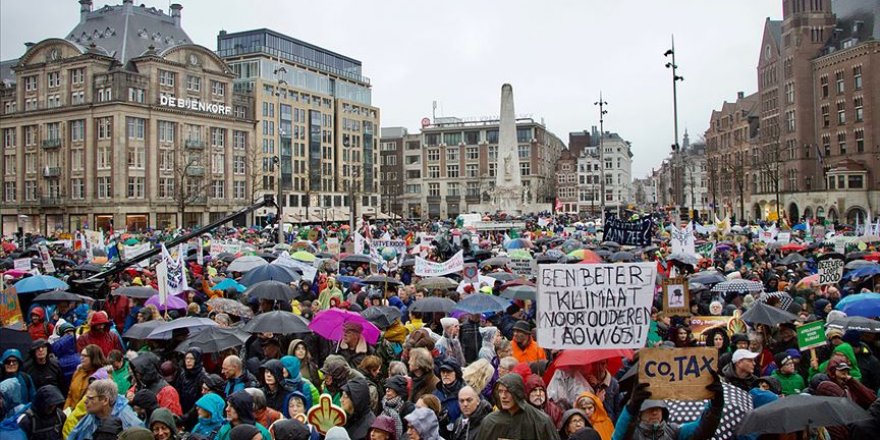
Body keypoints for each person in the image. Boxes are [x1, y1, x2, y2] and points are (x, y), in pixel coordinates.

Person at [611, 374, 723, 440]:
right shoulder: (633, 434)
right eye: (649, 409)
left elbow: (703, 429)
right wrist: (632, 408)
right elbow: (619, 437)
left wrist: (716, 405)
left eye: (657, 409)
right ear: (640, 413)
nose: (654, 413)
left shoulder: (673, 431)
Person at [475, 374, 560, 440]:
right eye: (500, 391)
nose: (503, 396)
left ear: (517, 393)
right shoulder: (490, 422)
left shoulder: (541, 421)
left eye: (508, 391)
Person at [66, 379, 143, 440]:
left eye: (91, 398)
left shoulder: (128, 421)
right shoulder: (92, 414)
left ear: (105, 400)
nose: (85, 401)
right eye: (87, 397)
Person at [64, 344, 104, 410]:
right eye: (81, 355)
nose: (81, 358)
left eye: (85, 356)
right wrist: (65, 411)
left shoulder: (100, 376)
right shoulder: (78, 372)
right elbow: (70, 395)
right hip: (71, 413)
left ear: (93, 358)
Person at [434, 357, 465, 435]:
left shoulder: (466, 393)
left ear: (456, 373)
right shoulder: (435, 394)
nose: (445, 374)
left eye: (449, 371)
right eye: (443, 371)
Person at [381, 375, 414, 440]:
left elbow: (410, 431)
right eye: (387, 388)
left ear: (398, 391)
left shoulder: (408, 408)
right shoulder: (384, 403)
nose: (387, 391)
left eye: (390, 388)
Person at [177, 347, 208, 414]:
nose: (188, 361)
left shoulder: (203, 377)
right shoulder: (182, 375)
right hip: (183, 411)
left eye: (191, 359)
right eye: (186, 358)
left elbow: (202, 399)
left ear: (197, 360)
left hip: (197, 413)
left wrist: (188, 415)